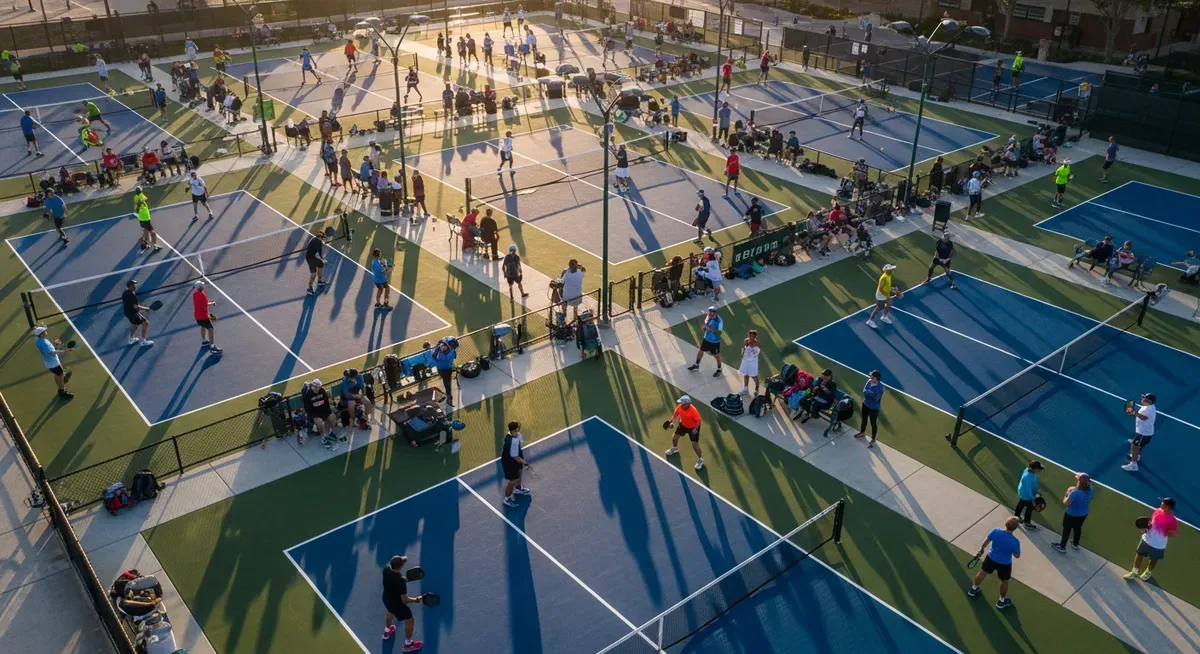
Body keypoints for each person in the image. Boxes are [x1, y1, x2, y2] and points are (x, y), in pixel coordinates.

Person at [967, 516, 1022, 610]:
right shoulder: (1015, 542)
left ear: (1006, 523)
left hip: (990, 558)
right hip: (1005, 564)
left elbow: (986, 541)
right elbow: (1017, 556)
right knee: (1004, 581)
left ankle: (973, 589)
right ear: (1015, 528)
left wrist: (982, 550)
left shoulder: (996, 531)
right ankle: (1001, 601)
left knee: (982, 572)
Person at [1124, 497, 1178, 582]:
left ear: (1168, 507)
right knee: (1139, 554)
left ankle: (1148, 572)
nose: (1161, 505)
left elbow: (1173, 534)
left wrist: (1167, 532)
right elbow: (1151, 522)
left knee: (1153, 559)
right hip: (1146, 539)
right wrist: (1146, 528)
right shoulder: (1158, 510)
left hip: (1158, 545)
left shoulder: (1172, 521)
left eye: (1163, 504)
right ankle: (1134, 572)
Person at [381, 555, 424, 651]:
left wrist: (403, 578)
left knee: (390, 612)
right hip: (397, 604)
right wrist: (416, 599)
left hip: (386, 598)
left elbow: (394, 576)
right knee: (410, 618)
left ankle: (387, 631)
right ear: (400, 567)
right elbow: (405, 600)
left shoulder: (386, 569)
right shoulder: (400, 581)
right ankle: (408, 644)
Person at [1052, 472, 1092, 553]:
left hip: (1071, 514)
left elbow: (1066, 502)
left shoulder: (1074, 493)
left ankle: (1062, 546)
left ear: (1079, 482)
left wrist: (1068, 492)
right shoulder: (1091, 489)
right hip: (1083, 514)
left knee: (1066, 529)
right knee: (1077, 528)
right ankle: (1075, 543)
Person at [665, 395, 705, 470]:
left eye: (682, 403)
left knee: (694, 445)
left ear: (687, 404)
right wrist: (669, 422)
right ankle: (675, 448)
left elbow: (699, 420)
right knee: (675, 437)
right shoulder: (680, 407)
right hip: (683, 425)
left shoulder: (693, 410)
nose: (680, 404)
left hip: (693, 428)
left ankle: (700, 460)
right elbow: (675, 415)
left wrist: (695, 429)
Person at [34, 326, 74, 399]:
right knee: (60, 374)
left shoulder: (38, 339)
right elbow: (50, 352)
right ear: (42, 334)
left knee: (58, 374)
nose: (46, 332)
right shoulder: (43, 343)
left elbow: (48, 349)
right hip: (53, 363)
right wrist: (64, 351)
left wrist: (55, 344)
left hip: (49, 362)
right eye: (44, 331)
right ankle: (62, 391)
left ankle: (62, 382)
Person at [500, 421, 531, 507]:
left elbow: (519, 445)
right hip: (509, 461)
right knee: (513, 481)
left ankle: (517, 488)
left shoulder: (516, 434)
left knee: (519, 471)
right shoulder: (512, 441)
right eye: (518, 428)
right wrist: (524, 462)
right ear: (514, 430)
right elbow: (514, 456)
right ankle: (507, 499)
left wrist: (521, 462)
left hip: (516, 455)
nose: (519, 428)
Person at [1122, 393, 1156, 472]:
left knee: (1134, 446)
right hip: (1144, 432)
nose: (1142, 399)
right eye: (1143, 397)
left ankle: (1134, 465)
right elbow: (1140, 415)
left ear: (1149, 401)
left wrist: (1134, 412)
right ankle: (1136, 456)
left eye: (1144, 398)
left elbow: (1143, 417)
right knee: (1139, 444)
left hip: (1143, 433)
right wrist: (1133, 412)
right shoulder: (1149, 406)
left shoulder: (1148, 409)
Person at [688, 306, 724, 377]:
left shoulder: (720, 321)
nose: (711, 315)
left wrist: (709, 329)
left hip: (715, 342)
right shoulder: (708, 317)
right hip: (706, 339)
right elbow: (706, 325)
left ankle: (719, 369)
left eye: (712, 313)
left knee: (716, 356)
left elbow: (719, 333)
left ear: (716, 313)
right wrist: (705, 328)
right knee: (700, 351)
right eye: (710, 313)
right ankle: (696, 365)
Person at [1013, 460, 1044, 530]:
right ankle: (1026, 523)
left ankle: (1016, 517)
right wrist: (1033, 498)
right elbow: (1028, 489)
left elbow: (1032, 485)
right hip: (1026, 494)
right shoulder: (1029, 477)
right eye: (1038, 468)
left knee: (1021, 505)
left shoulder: (1028, 470)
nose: (1039, 470)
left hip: (1024, 492)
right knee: (1029, 507)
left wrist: (1036, 490)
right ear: (1034, 469)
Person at [191, 281, 221, 352]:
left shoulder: (194, 294)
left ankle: (204, 341)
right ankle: (213, 347)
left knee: (203, 326)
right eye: (202, 285)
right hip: (203, 317)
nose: (203, 286)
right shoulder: (202, 295)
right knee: (211, 330)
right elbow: (205, 305)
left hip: (197, 316)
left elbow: (201, 305)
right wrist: (212, 303)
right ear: (200, 287)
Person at [121, 280, 154, 347]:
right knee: (146, 323)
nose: (135, 286)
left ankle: (131, 339)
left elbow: (131, 305)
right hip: (133, 314)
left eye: (135, 284)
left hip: (127, 312)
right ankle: (144, 342)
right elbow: (137, 307)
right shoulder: (132, 296)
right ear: (130, 286)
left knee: (135, 325)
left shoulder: (125, 292)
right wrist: (146, 309)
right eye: (134, 285)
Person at [865, 264, 898, 329]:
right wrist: (887, 296)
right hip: (881, 295)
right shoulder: (883, 278)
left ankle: (884, 317)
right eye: (891, 269)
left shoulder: (889, 275)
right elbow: (880, 289)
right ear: (887, 270)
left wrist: (892, 289)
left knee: (889, 303)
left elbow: (886, 286)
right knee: (879, 307)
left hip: (885, 294)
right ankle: (870, 321)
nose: (892, 270)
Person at [857, 370, 883, 447]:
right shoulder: (869, 381)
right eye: (870, 377)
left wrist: (868, 393)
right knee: (864, 419)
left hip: (874, 408)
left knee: (873, 423)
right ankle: (862, 432)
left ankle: (873, 439)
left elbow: (876, 399)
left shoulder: (880, 388)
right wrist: (869, 393)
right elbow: (864, 391)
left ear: (876, 378)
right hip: (865, 404)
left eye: (872, 377)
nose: (870, 378)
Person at [134, 187, 160, 252]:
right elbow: (145, 200)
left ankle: (143, 241)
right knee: (152, 233)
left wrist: (139, 205)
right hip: (145, 217)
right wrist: (143, 202)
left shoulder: (135, 197)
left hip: (141, 217)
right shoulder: (141, 195)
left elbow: (138, 206)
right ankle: (154, 245)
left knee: (145, 229)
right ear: (140, 191)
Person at [738, 329, 761, 396]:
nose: (751, 337)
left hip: (753, 362)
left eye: (753, 336)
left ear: (755, 336)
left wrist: (752, 356)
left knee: (754, 376)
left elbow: (758, 352)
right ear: (748, 335)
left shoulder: (757, 343)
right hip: (745, 360)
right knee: (746, 374)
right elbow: (744, 348)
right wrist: (742, 352)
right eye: (750, 335)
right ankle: (745, 389)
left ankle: (757, 389)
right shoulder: (746, 340)